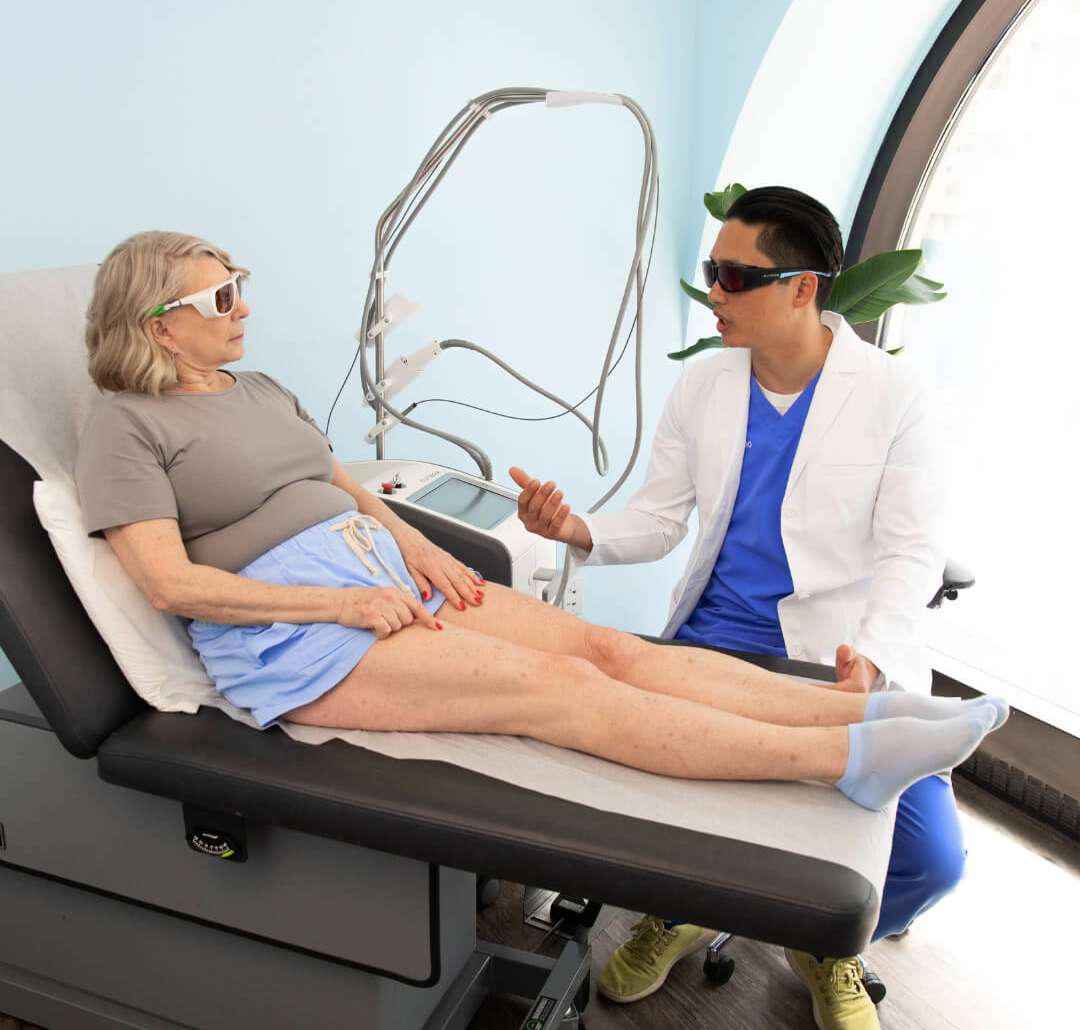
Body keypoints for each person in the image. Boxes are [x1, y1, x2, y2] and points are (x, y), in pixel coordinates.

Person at [73, 229, 1002, 885]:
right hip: (302, 633)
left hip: (381, 574)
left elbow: (342, 481)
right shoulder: (125, 428)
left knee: (610, 649)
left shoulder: (256, 387)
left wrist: (413, 544)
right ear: (158, 325)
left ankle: (865, 708)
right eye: (220, 297)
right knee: (568, 691)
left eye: (239, 283)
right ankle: (843, 758)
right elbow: (169, 583)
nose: (243, 306)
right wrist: (340, 604)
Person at [510, 186, 983, 1029]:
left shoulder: (894, 393)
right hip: (715, 643)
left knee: (931, 861)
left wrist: (872, 656)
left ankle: (826, 945)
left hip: (840, 655)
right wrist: (576, 528)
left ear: (803, 288)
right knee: (657, 808)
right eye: (711, 271)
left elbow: (911, 550)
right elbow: (659, 520)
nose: (713, 294)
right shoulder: (705, 385)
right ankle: (682, 912)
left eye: (734, 276)